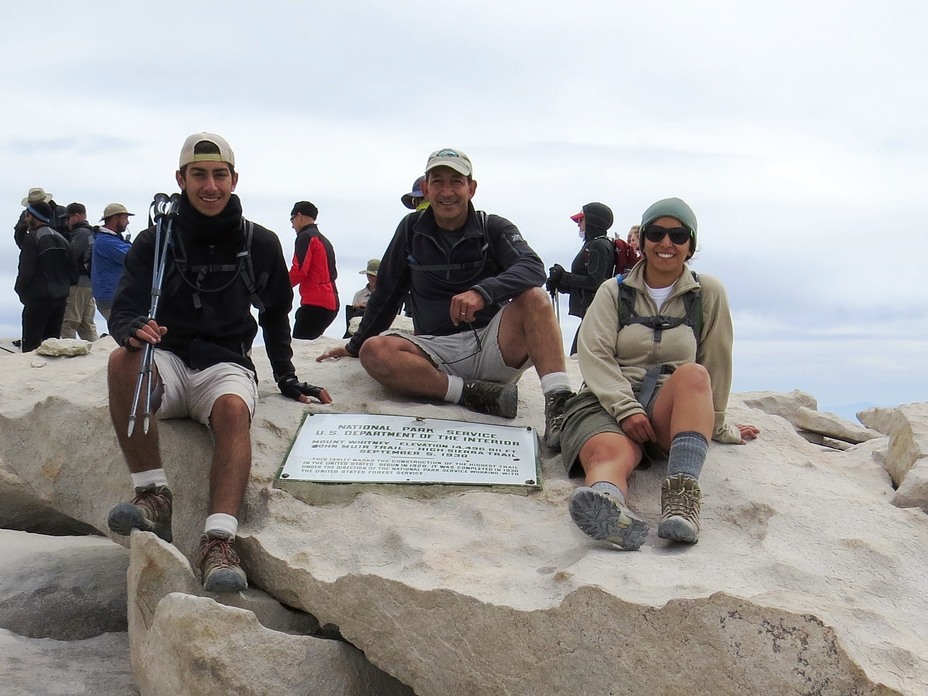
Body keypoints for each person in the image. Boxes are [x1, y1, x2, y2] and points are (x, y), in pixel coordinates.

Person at [105, 132, 333, 593]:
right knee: (120, 361)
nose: (210, 186)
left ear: (234, 179)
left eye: (219, 175)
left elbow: (274, 313)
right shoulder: (154, 241)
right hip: (166, 358)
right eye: (198, 175)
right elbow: (125, 309)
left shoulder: (260, 242)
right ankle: (153, 494)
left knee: (233, 412)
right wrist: (130, 331)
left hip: (225, 364)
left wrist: (286, 377)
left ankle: (219, 541)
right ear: (180, 179)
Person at [317, 147, 573, 449]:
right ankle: (472, 393)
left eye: (456, 181)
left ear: (471, 188)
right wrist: (354, 347)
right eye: (437, 181)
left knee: (536, 298)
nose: (447, 191)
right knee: (375, 351)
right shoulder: (410, 230)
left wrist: (482, 292)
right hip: (434, 353)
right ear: (426, 188)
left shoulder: (494, 227)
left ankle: (560, 409)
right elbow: (386, 294)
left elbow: (532, 267)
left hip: (494, 345)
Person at [559, 197, 759, 551]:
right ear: (642, 240)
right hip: (607, 403)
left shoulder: (707, 293)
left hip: (668, 407)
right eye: (657, 233)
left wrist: (718, 422)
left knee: (694, 375)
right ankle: (609, 508)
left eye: (678, 235)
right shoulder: (613, 291)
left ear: (691, 245)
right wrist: (625, 408)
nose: (666, 243)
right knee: (609, 452)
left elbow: (717, 360)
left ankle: (681, 505)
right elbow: (594, 354)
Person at [546, 202, 616, 355]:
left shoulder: (598, 245)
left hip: (595, 314)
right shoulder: (595, 244)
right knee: (577, 355)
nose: (578, 224)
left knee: (578, 355)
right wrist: (560, 283)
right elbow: (585, 284)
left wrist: (564, 276)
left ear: (592, 221)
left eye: (581, 220)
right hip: (590, 313)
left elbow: (594, 282)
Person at [14, 201, 72, 351]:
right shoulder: (63, 239)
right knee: (52, 347)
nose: (26, 219)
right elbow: (74, 274)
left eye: (27, 215)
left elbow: (26, 271)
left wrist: (22, 293)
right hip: (60, 300)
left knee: (31, 347)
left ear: (34, 216)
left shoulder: (32, 238)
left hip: (38, 300)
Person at [288, 201, 339, 340]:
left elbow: (299, 271)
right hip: (331, 300)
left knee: (298, 346)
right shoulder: (324, 240)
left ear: (299, 216)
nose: (292, 225)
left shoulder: (305, 237)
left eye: (291, 219)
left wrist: (277, 286)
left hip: (316, 303)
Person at [60, 203, 99, 341]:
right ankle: (95, 355)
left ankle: (69, 357)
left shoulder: (81, 233)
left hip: (77, 283)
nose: (67, 222)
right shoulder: (91, 233)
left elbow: (71, 256)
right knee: (86, 324)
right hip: (89, 283)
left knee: (68, 322)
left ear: (76, 216)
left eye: (68, 218)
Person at [92, 203, 134, 322]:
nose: (128, 222)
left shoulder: (109, 240)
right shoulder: (106, 241)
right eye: (125, 218)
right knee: (123, 329)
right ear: (115, 218)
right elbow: (132, 256)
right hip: (112, 295)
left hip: (111, 294)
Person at [344, 258, 380, 337]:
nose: (371, 278)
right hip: (359, 326)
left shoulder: (385, 294)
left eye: (374, 275)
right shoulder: (359, 295)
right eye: (369, 275)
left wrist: (367, 306)